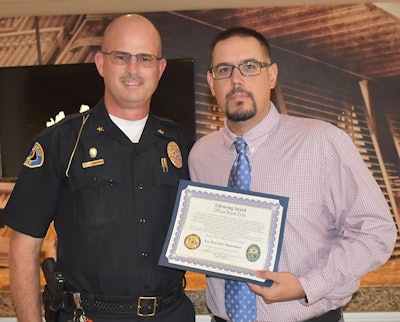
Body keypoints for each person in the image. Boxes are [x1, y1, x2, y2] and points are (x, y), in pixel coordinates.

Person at [188, 26, 397, 322]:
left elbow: (376, 231)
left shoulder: (322, 141)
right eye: (224, 69)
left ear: (271, 75)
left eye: (249, 66)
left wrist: (306, 285)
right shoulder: (201, 155)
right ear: (211, 82)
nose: (236, 80)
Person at [1, 14, 195, 322]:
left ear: (160, 69)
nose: (133, 69)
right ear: (101, 63)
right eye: (121, 57)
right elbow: (23, 245)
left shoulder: (182, 143)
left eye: (145, 58)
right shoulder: (59, 142)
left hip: (172, 314)